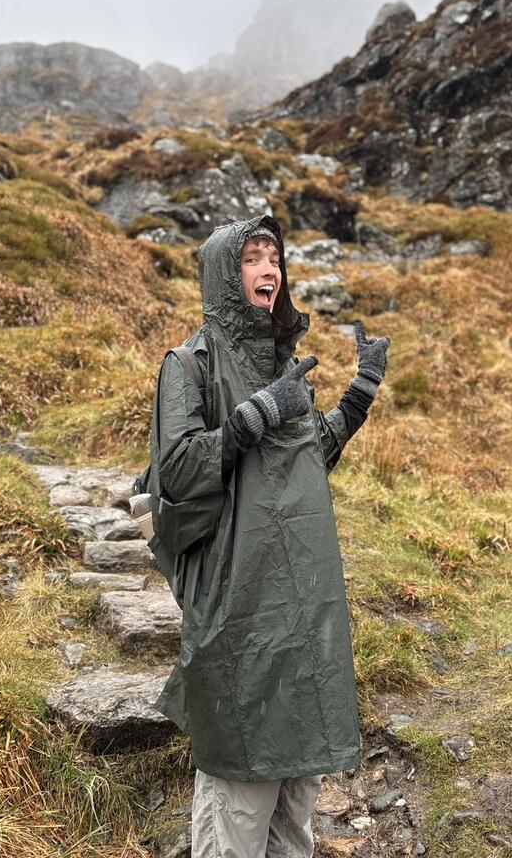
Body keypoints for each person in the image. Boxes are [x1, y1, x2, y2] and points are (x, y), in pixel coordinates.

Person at [152, 214, 390, 858]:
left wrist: (359, 394)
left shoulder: (281, 364)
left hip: (304, 605)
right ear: (226, 277)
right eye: (254, 259)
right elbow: (173, 471)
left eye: (275, 261)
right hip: (240, 603)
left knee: (295, 807)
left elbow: (304, 453)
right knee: (240, 797)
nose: (270, 270)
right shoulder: (188, 365)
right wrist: (253, 414)